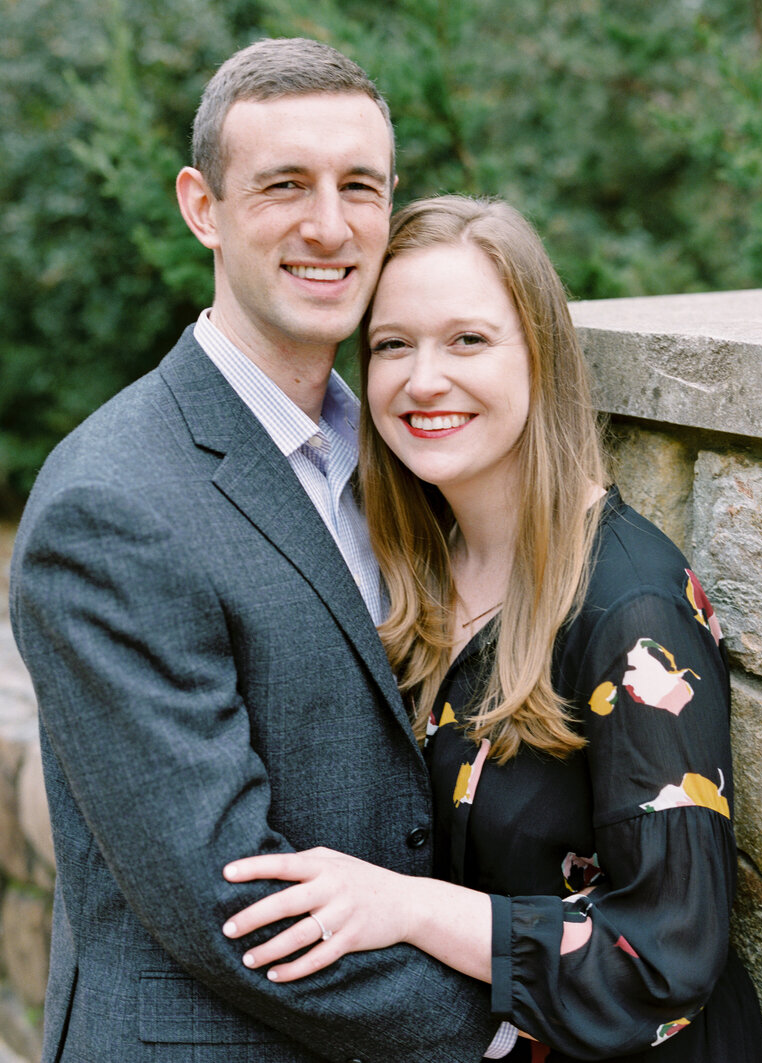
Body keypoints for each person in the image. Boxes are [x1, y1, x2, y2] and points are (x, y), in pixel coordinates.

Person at [9, 45, 507, 1063]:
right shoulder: (111, 502)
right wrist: (499, 1023)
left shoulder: (402, 450)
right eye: (284, 185)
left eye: (357, 187)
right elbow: (222, 893)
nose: (329, 225)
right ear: (202, 207)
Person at [218, 196, 762, 1062]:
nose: (423, 379)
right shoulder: (417, 570)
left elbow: (663, 955)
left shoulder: (631, 612)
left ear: (541, 357)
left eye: (468, 340)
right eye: (393, 344)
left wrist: (408, 905)